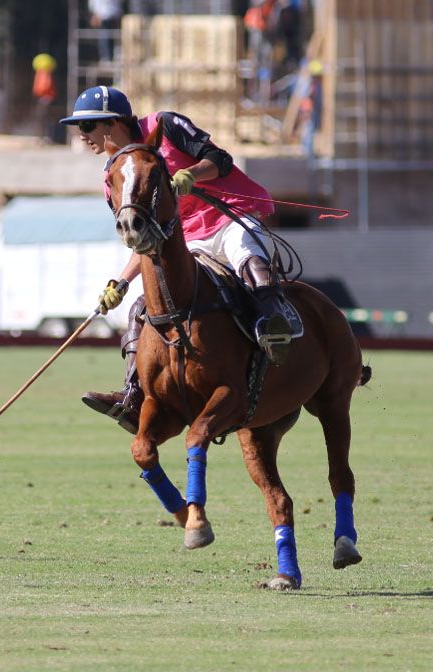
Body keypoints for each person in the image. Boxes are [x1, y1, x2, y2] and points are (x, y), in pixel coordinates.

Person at [60, 85, 294, 433]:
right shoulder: (116, 178)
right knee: (142, 308)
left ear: (112, 124)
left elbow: (221, 158)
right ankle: (131, 395)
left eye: (88, 127)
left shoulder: (166, 124)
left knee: (247, 256)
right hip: (187, 238)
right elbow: (144, 240)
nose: (82, 136)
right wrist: (121, 283)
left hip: (230, 218)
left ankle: (276, 327)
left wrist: (191, 175)